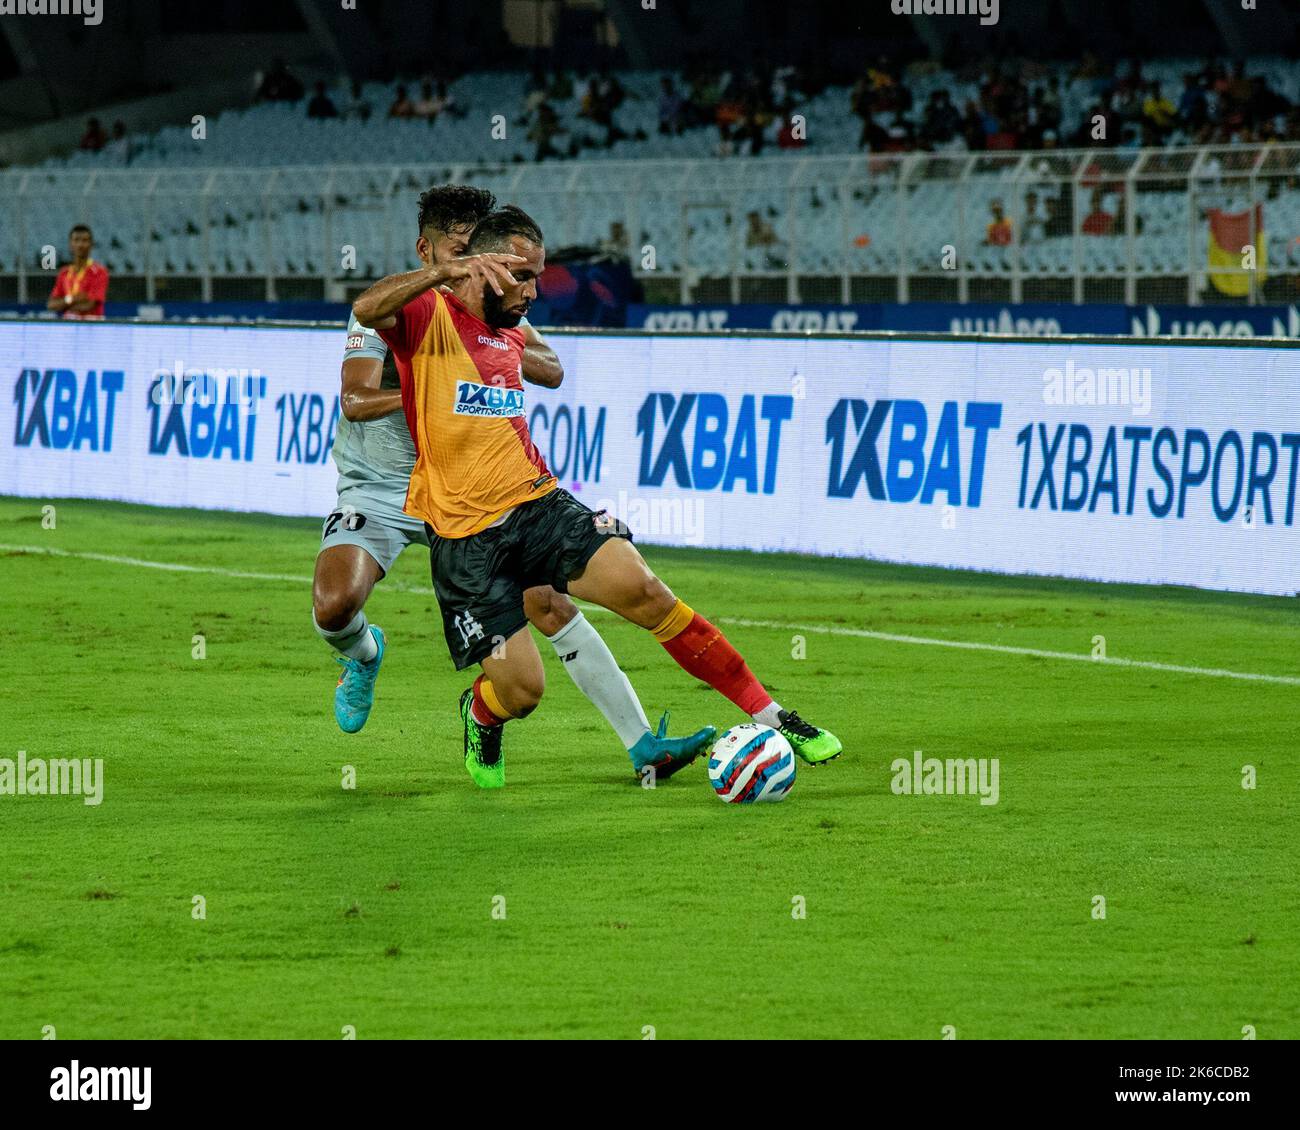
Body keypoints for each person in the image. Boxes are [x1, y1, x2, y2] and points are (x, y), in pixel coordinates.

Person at [352, 206, 843, 790]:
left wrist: (510, 331)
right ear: (483, 268)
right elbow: (365, 309)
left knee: (646, 591)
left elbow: (552, 371)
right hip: (463, 537)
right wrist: (449, 273)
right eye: (522, 275)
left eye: (538, 274)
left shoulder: (514, 324)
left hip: (538, 505)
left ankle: (776, 717)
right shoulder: (425, 315)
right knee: (522, 691)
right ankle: (481, 711)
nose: (535, 289)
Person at [316, 186, 712, 781]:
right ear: (429, 250)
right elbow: (354, 400)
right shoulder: (394, 307)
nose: (480, 262)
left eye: (485, 250)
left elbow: (552, 370)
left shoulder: (495, 305)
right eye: (461, 250)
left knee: (551, 604)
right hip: (383, 487)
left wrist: (489, 344)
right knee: (334, 605)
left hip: (474, 495)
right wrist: (437, 387)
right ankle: (365, 655)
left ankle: (641, 747)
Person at [46, 225, 109, 319]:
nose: (80, 245)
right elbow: (51, 305)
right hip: (69, 328)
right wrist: (72, 299)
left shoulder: (99, 272)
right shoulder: (64, 273)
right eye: (76, 240)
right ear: (70, 244)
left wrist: (63, 305)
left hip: (92, 328)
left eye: (84, 240)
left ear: (91, 244)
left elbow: (89, 305)